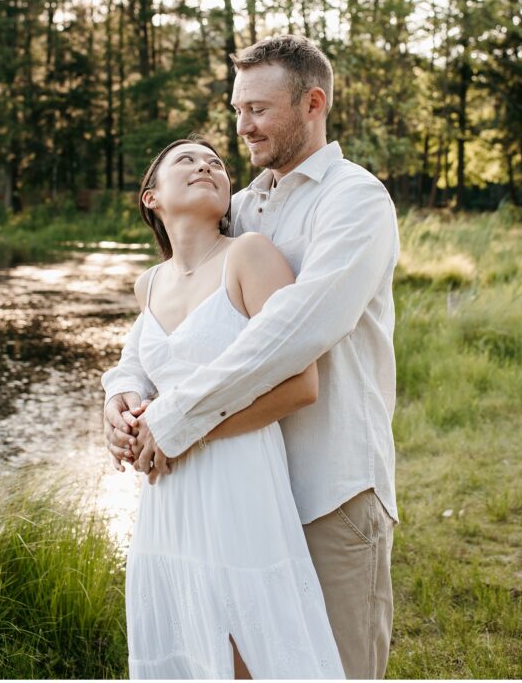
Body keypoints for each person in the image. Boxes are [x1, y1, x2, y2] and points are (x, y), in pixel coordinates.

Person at [103, 34, 400, 680]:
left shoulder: (354, 199)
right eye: (237, 110)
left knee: (332, 668)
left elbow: (296, 329)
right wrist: (120, 389)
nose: (240, 127)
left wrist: (178, 417)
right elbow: (170, 329)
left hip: (328, 481)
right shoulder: (239, 208)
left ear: (312, 103)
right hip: (236, 490)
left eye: (258, 110)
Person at [111, 136, 345, 680]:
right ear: (151, 198)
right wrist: (120, 414)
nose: (207, 166)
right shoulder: (148, 283)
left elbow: (300, 385)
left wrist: (187, 431)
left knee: (249, 650)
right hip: (166, 496)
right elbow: (138, 371)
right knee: (185, 640)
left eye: (216, 163)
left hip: (239, 480)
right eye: (186, 160)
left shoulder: (249, 255)